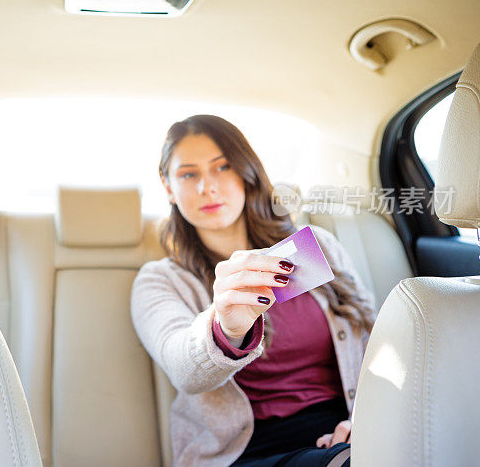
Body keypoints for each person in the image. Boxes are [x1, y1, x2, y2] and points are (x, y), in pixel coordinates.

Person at [131, 115, 377, 467]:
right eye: (189, 174)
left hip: (343, 431)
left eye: (223, 167)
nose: (207, 187)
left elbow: (375, 344)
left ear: (248, 172)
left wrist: (367, 420)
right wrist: (226, 328)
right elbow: (183, 368)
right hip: (243, 453)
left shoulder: (311, 247)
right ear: (168, 186)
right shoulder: (162, 279)